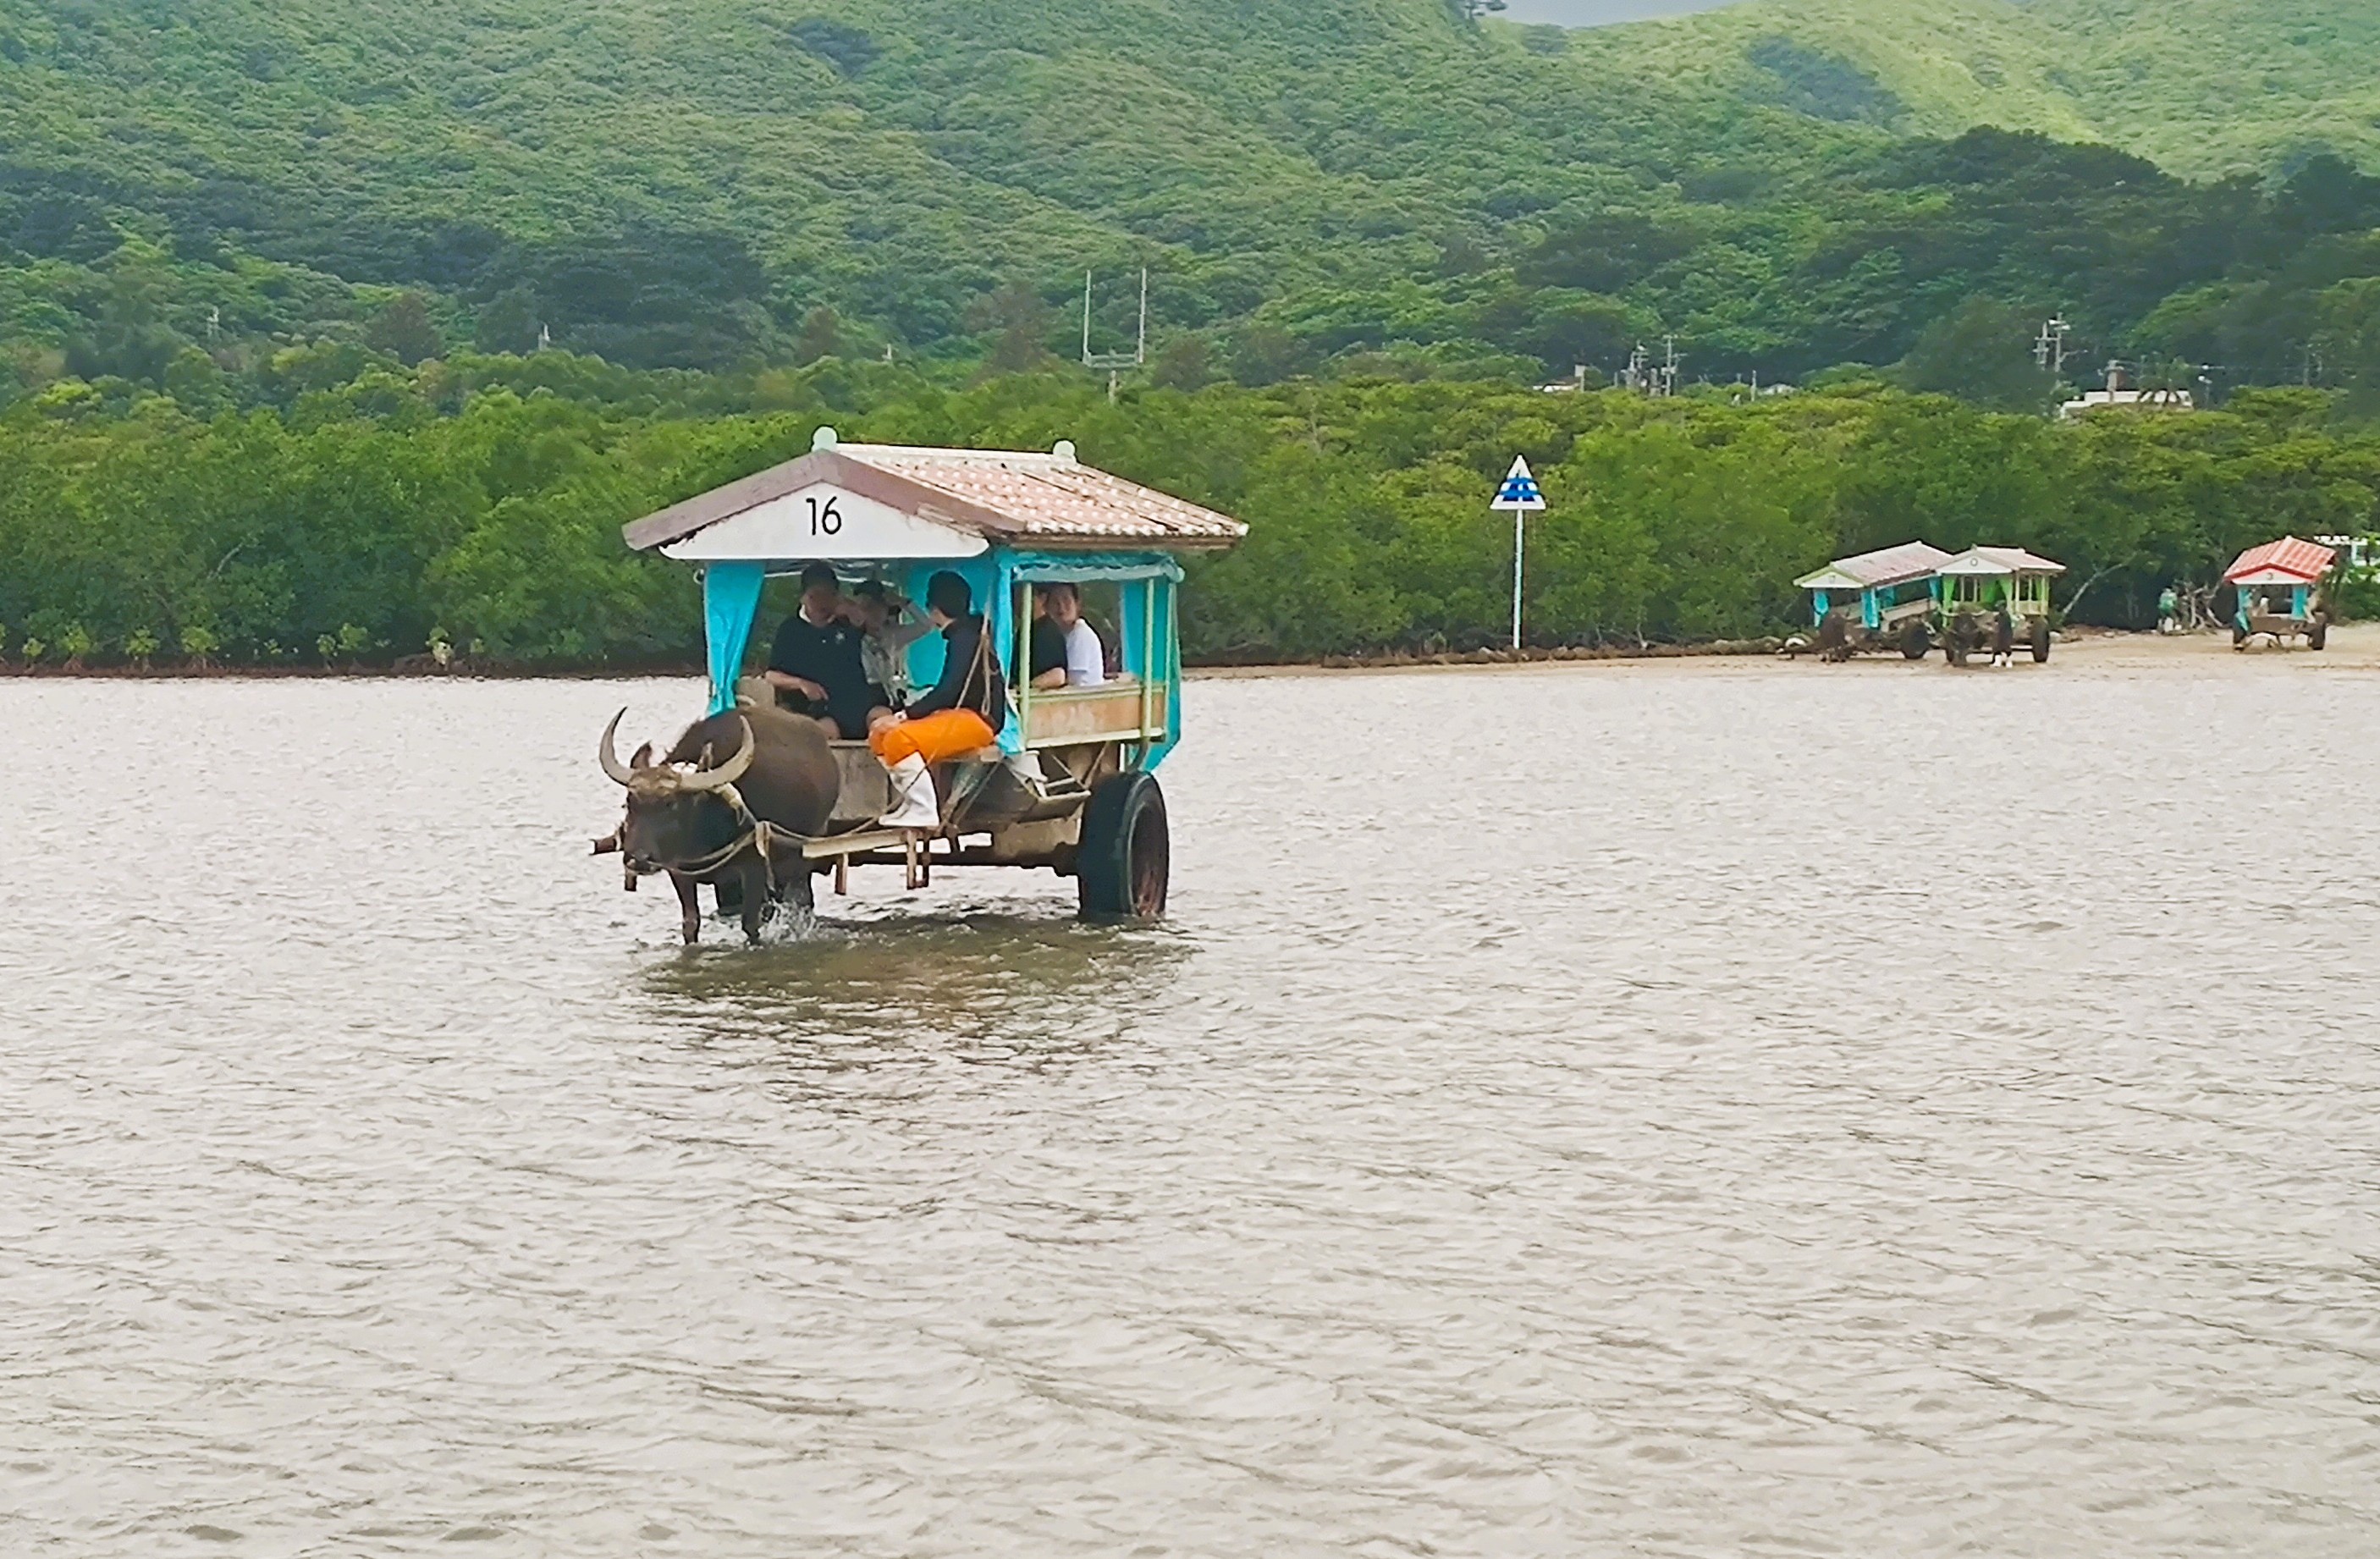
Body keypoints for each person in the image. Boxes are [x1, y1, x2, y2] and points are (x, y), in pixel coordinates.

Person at [870, 570, 1009, 830]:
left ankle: (925, 808)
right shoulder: (964, 634)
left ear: (935, 608)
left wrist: (906, 714)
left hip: (979, 721)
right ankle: (910, 803)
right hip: (962, 715)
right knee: (879, 735)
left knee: (900, 738)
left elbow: (950, 690)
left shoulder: (965, 638)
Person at [763, 563, 875, 739]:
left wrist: (850, 608)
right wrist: (801, 683)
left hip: (856, 705)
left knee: (882, 721)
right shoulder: (790, 629)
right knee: (826, 731)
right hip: (812, 709)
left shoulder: (847, 623)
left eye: (828, 596)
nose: (822, 603)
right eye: (815, 596)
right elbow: (772, 675)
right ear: (803, 597)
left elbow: (873, 626)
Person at [851, 579, 928, 716]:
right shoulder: (849, 636)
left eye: (880, 606)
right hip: (858, 695)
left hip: (887, 696)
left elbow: (925, 625)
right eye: (868, 607)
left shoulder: (893, 634)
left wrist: (903, 602)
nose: (875, 612)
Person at [1039, 581, 1111, 688]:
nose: (1061, 607)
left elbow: (1074, 680)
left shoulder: (1080, 634)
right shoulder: (1056, 636)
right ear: (1046, 607)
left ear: (1077, 604)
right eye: (1055, 601)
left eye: (1066, 600)